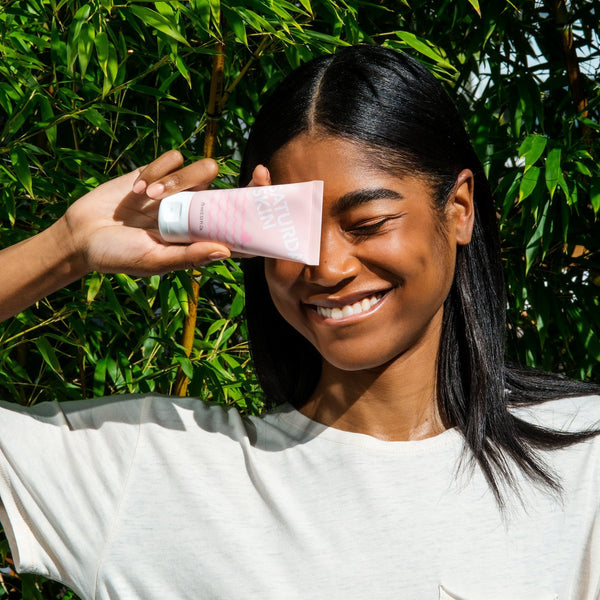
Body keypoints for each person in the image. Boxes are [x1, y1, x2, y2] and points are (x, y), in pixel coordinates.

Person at [0, 45, 598, 600]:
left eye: (367, 223)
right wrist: (67, 249)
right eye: (288, 233)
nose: (328, 267)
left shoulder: (584, 460)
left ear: (459, 210)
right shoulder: (151, 472)